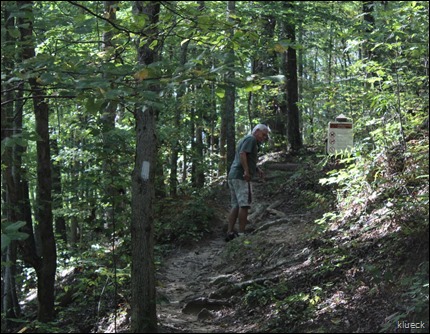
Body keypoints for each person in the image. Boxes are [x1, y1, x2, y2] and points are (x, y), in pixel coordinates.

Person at [225, 124, 270, 241]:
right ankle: (241, 234)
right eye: (263, 134)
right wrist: (246, 171)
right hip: (241, 176)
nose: (264, 137)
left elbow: (247, 157)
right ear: (257, 131)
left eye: (265, 136)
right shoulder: (251, 139)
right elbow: (242, 154)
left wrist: (256, 169)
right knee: (244, 204)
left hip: (233, 175)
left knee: (235, 204)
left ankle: (230, 232)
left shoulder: (247, 139)